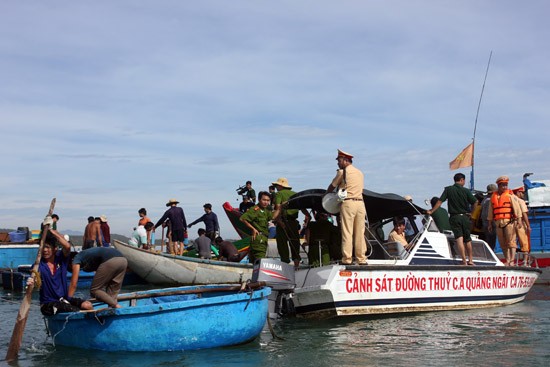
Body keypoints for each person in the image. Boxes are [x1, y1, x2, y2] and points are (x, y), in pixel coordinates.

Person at [27, 222, 93, 316]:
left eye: (48, 247)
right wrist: (31, 281)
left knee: (87, 305)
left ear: (55, 249)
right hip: (48, 305)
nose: (45, 250)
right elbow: (34, 279)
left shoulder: (61, 259)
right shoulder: (38, 265)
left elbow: (67, 246)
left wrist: (50, 231)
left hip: (64, 299)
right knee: (75, 311)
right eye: (43, 247)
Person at [326, 149, 368, 265]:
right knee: (360, 232)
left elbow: (332, 186)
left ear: (345, 160)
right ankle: (361, 258)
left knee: (347, 232)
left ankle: (347, 259)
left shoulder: (342, 173)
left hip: (348, 203)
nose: (338, 163)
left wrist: (325, 195)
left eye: (339, 161)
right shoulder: (360, 173)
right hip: (360, 203)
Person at [428, 173, 477, 265]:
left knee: (459, 239)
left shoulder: (448, 189)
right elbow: (475, 202)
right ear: (462, 180)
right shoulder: (466, 191)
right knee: (468, 239)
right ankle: (471, 260)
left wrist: (431, 211)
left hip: (455, 217)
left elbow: (439, 201)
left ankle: (464, 261)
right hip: (465, 217)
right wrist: (472, 213)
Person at [272, 177, 308, 268]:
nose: (276, 187)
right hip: (293, 223)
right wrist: (308, 216)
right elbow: (302, 208)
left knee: (282, 244)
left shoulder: (279, 194)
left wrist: (279, 222)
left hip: (283, 222)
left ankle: (285, 265)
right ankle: (296, 266)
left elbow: (278, 208)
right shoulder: (295, 194)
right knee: (295, 243)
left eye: (276, 185)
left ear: (280, 185)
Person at [487, 176, 523, 266]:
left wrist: (519, 220)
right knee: (502, 242)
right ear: (498, 185)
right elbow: (490, 212)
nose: (505, 187)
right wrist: (490, 223)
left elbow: (517, 209)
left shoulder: (510, 196)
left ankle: (512, 260)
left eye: (506, 185)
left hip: (509, 221)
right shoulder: (493, 197)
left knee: (511, 241)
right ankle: (507, 259)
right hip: (498, 222)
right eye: (503, 185)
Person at [240, 191, 273, 264]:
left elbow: (272, 217)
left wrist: (280, 208)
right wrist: (253, 229)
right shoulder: (255, 209)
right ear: (259, 199)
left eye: (268, 200)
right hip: (258, 239)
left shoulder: (265, 210)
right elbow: (243, 218)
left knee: (254, 264)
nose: (266, 202)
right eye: (264, 200)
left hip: (262, 239)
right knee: (260, 262)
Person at [513, 186, 531, 266]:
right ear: (518, 193)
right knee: (524, 242)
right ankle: (525, 261)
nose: (523, 194)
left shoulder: (511, 200)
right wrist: (528, 225)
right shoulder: (521, 201)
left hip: (511, 223)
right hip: (520, 223)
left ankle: (511, 261)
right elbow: (524, 214)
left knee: (512, 242)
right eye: (522, 192)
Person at [481, 184, 498, 250]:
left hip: (485, 222)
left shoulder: (484, 200)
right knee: (492, 240)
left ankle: (489, 251)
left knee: (488, 239)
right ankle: (491, 252)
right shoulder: (492, 200)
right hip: (492, 222)